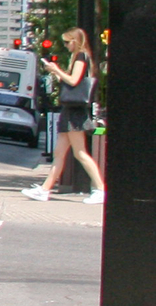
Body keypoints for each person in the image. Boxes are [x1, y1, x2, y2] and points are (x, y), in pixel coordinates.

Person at [24, 28, 106, 202]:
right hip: (70, 110)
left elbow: (74, 80)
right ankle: (45, 189)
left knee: (80, 153)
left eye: (68, 42)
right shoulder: (78, 57)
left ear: (75, 41)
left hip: (75, 112)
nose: (66, 45)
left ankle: (100, 189)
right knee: (59, 153)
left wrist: (56, 70)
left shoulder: (81, 56)